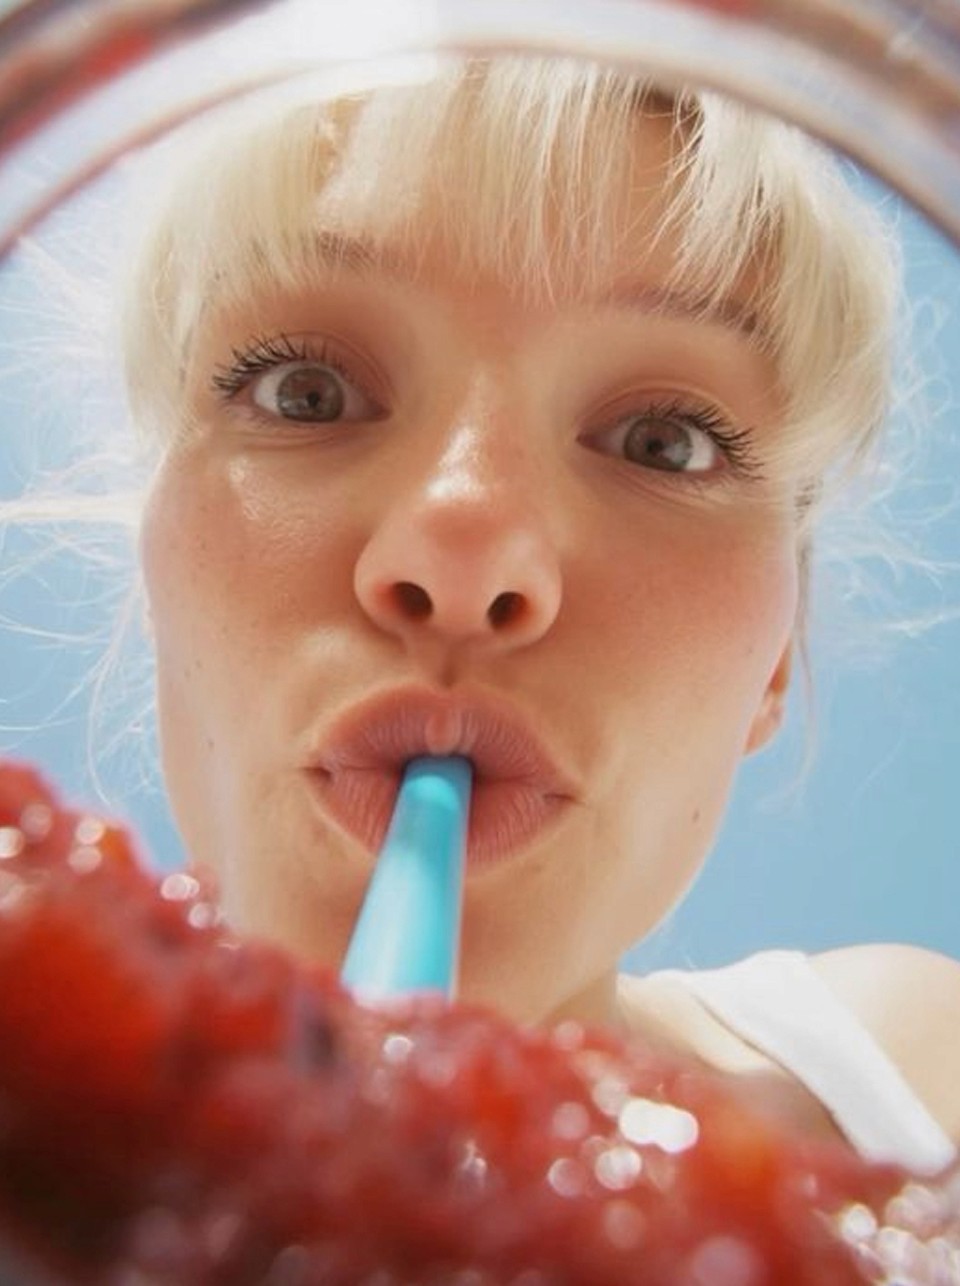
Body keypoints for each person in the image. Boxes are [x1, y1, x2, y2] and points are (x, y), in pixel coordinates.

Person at [89, 55, 960, 1172]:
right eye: (303, 391)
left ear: (778, 653)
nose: (464, 558)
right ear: (154, 554)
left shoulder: (913, 1083)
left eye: (665, 442)